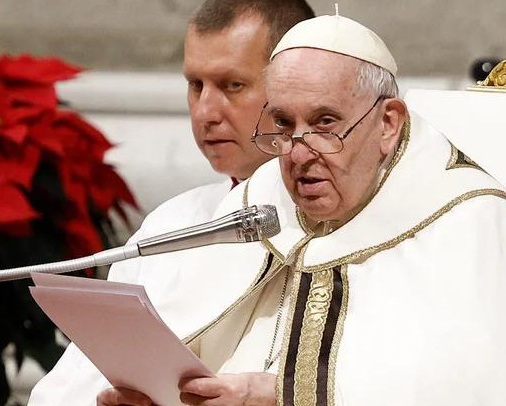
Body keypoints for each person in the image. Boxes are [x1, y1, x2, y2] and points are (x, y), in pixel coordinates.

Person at [99, 14, 506, 406]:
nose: (298, 154)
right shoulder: (259, 205)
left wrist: (281, 395)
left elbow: (482, 388)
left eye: (325, 123)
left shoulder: (473, 220)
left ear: (388, 123)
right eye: (283, 124)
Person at [27, 1, 315, 405]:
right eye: (195, 85)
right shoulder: (171, 222)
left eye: (232, 85)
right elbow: (72, 383)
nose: (205, 112)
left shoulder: (340, 224)